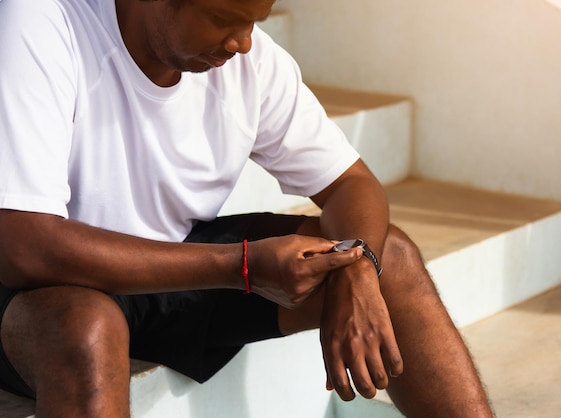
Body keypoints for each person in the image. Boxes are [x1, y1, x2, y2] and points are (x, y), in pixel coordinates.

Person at [0, 0, 494, 416]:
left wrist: (358, 266)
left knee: (393, 259)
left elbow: (352, 185)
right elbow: (22, 245)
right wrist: (242, 265)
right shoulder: (42, 24)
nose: (243, 42)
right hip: (39, 291)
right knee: (86, 328)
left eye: (255, 20)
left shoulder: (250, 66)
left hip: (173, 267)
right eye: (224, 18)